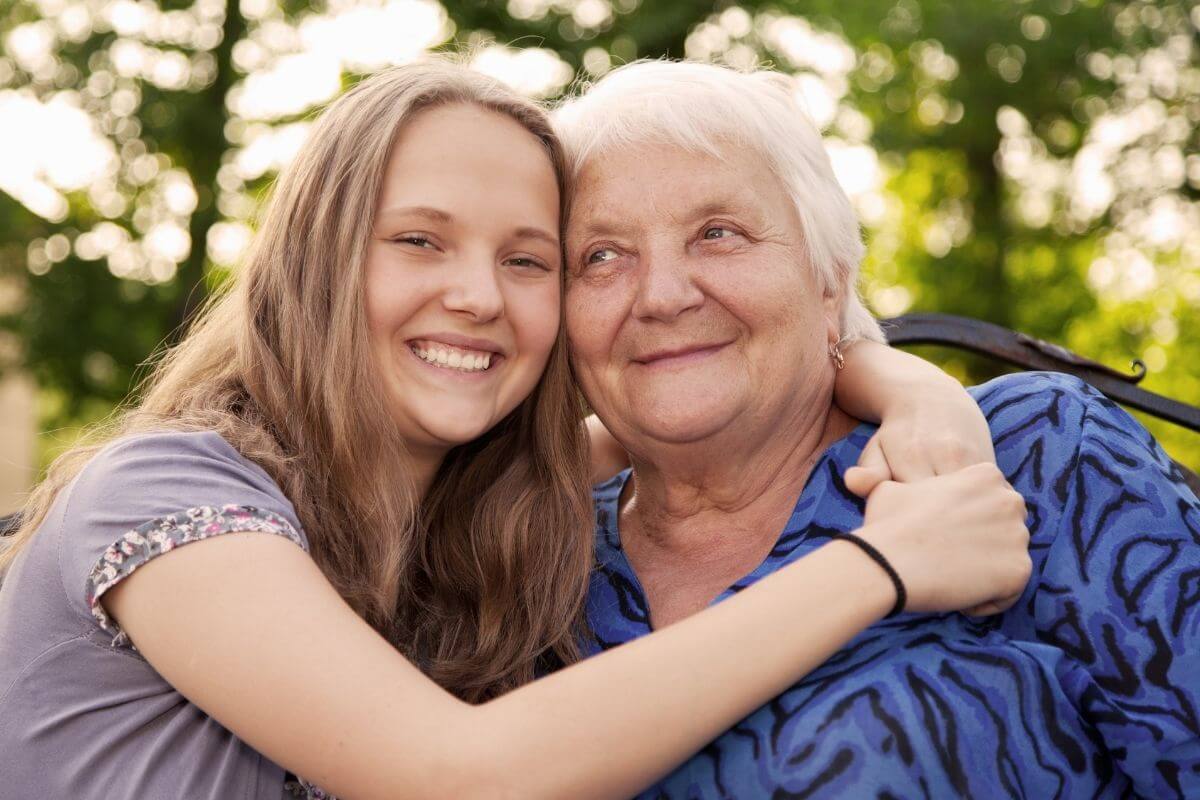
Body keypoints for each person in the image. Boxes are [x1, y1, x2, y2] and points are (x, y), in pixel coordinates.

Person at [0, 61, 1029, 800]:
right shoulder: (166, 491)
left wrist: (905, 383)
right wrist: (883, 563)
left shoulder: (465, 508)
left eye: (530, 259)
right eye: (419, 240)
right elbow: (460, 773)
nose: (478, 296)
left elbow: (711, 382)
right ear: (315, 261)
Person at [554, 59, 1200, 799]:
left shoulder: (1032, 450)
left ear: (829, 276)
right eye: (601, 256)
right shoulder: (527, 559)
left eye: (718, 233)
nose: (662, 295)